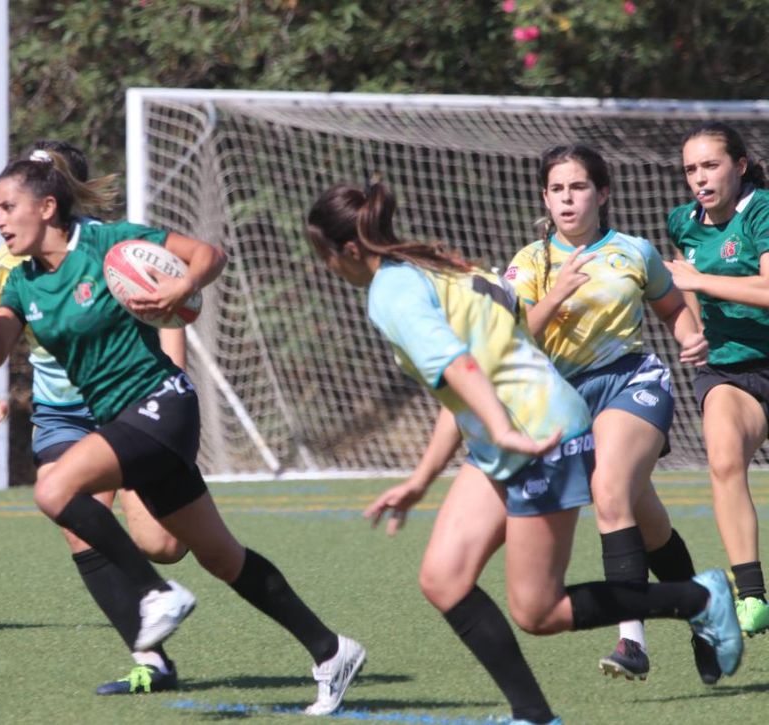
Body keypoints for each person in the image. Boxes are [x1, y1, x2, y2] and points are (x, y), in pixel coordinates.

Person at [0, 150, 365, 715]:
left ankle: (155, 594)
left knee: (53, 489)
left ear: (46, 207)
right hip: (124, 420)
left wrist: (180, 287)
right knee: (221, 556)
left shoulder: (109, 245)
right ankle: (331, 650)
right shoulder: (22, 284)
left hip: (161, 403)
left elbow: (209, 254)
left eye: (7, 207)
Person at [305, 179, 742, 725]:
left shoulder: (391, 293)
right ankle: (533, 716)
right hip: (511, 432)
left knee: (538, 610)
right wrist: (423, 477)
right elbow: (466, 381)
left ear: (347, 249)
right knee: (444, 578)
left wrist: (503, 430)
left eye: (322, 255)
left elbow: (462, 371)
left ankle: (696, 600)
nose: (324, 267)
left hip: (539, 433)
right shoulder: (433, 263)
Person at [0, 140, 190, 695]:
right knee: (74, 521)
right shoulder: (7, 264)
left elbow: (171, 311)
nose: (4, 217)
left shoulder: (109, 249)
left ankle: (158, 591)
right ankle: (150, 659)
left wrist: (171, 395)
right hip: (61, 410)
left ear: (55, 198)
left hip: (130, 402)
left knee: (162, 543)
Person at [505, 144, 716, 683]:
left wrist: (693, 338)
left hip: (632, 381)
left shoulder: (633, 251)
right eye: (557, 189)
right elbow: (510, 341)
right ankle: (704, 611)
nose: (568, 198)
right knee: (649, 524)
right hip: (566, 403)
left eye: (578, 187)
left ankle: (631, 642)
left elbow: (672, 309)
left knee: (610, 494)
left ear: (602, 193)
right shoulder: (530, 262)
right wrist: (555, 295)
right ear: (545, 199)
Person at [664, 121, 769, 638]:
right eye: (690, 169)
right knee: (724, 460)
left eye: (711, 165)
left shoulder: (763, 211)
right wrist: (697, 330)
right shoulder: (682, 221)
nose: (699, 178)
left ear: (740, 165)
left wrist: (703, 282)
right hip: (727, 369)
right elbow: (684, 281)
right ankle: (752, 596)